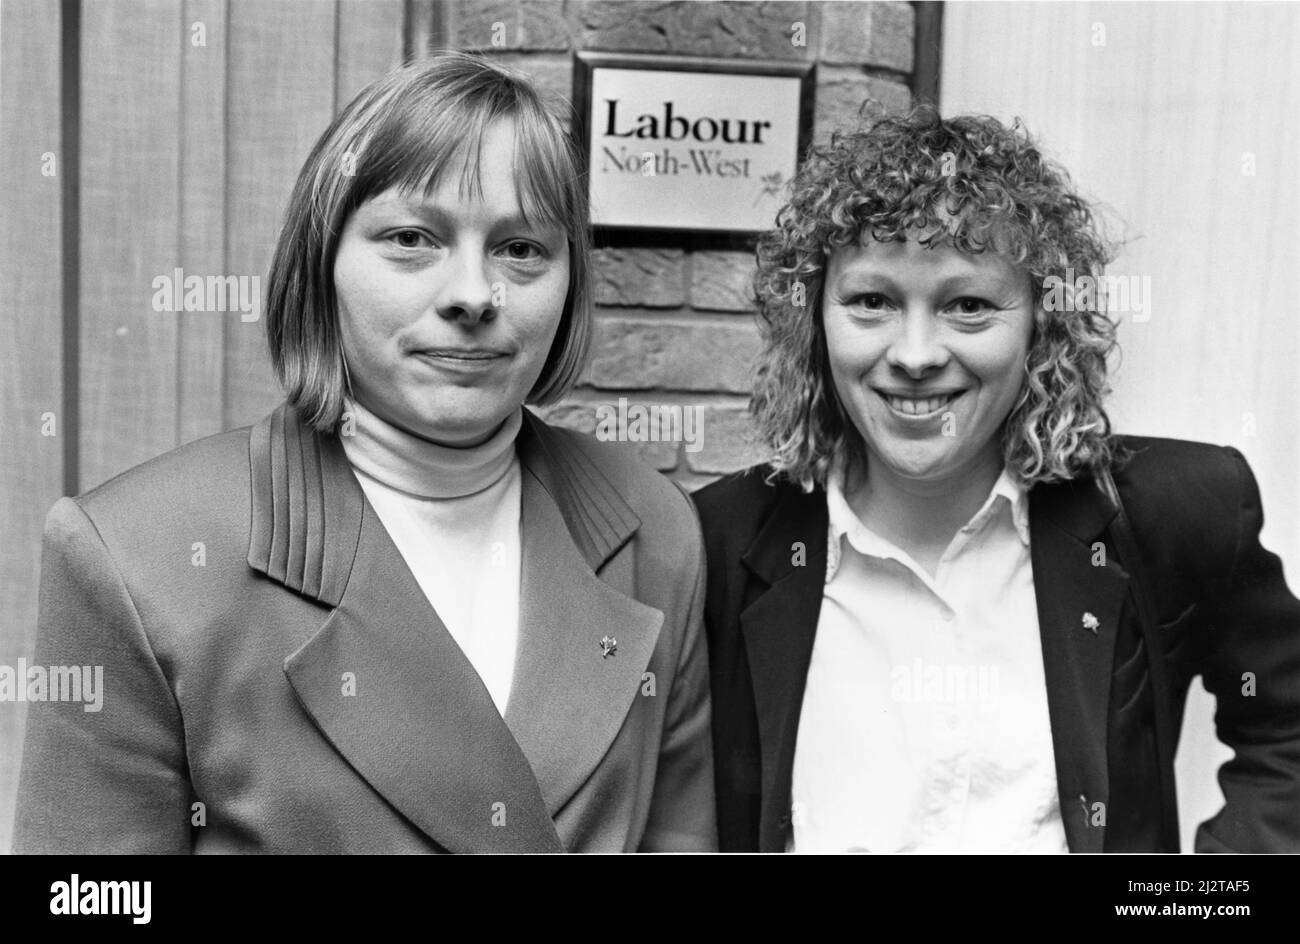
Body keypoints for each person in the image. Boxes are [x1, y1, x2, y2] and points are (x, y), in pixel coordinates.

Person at [14, 52, 715, 854]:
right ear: (323, 267)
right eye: (413, 238)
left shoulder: (657, 528)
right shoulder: (138, 556)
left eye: (522, 248)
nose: (474, 294)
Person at [694, 107, 1300, 853]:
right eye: (872, 301)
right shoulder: (717, 542)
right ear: (813, 321)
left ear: (1041, 325)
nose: (915, 354)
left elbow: (1286, 728)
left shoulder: (1176, 511)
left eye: (969, 305)